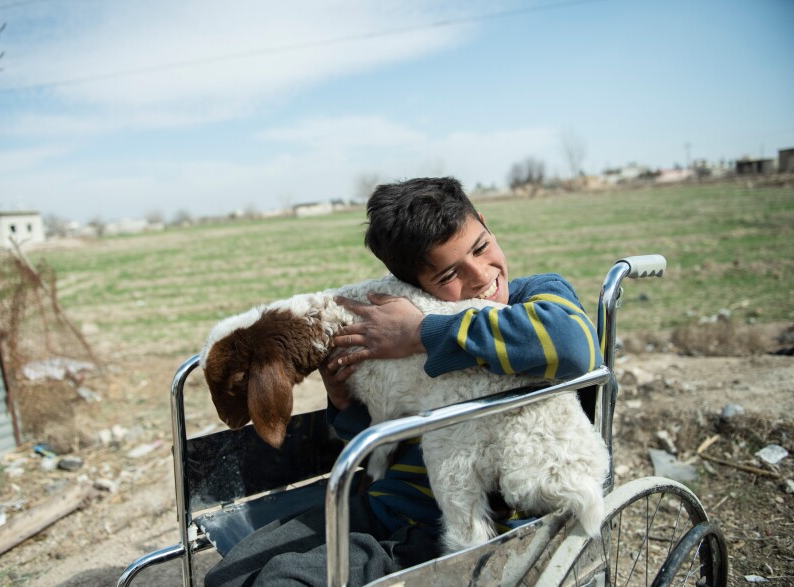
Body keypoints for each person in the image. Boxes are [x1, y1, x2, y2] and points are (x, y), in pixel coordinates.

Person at [204, 177, 600, 586]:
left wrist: (422, 333)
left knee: (283, 581)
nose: (481, 276)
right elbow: (382, 441)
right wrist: (344, 402)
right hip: (383, 504)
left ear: (484, 223)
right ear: (412, 284)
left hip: (456, 524)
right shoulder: (395, 320)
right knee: (233, 574)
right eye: (448, 274)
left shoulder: (535, 295)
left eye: (480, 247)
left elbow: (574, 345)